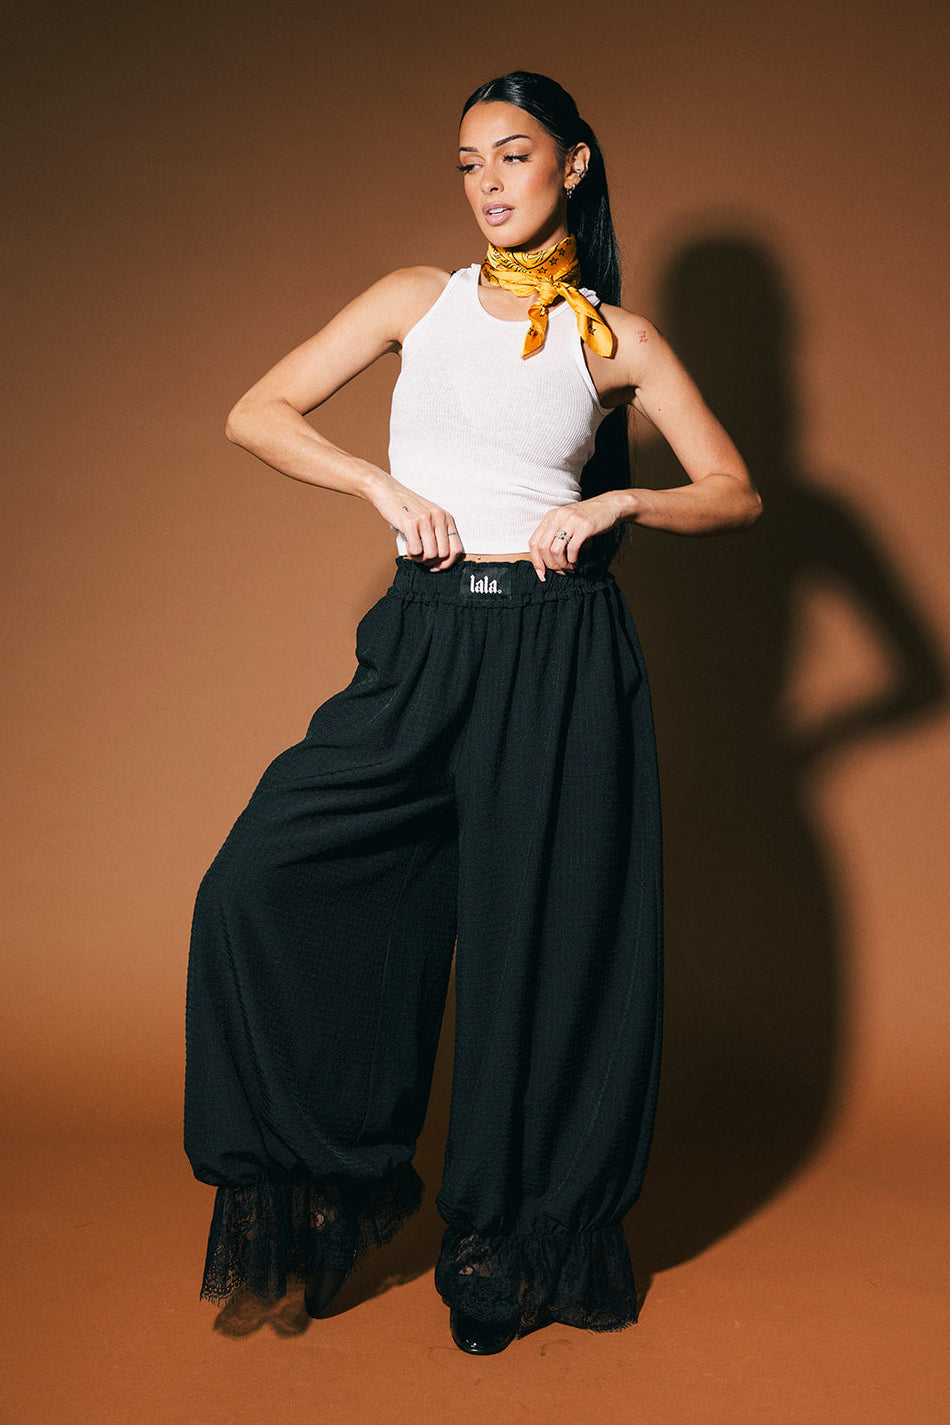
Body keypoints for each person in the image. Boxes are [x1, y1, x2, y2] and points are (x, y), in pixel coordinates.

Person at [184, 70, 762, 1356]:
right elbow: (255, 412)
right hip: (426, 638)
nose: (490, 182)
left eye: (513, 155)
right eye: (467, 163)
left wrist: (622, 505)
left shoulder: (617, 336)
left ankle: (508, 1241)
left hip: (560, 655)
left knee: (538, 946)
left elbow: (734, 491)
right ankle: (329, 1190)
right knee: (255, 882)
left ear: (574, 163)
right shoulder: (417, 302)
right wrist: (373, 487)